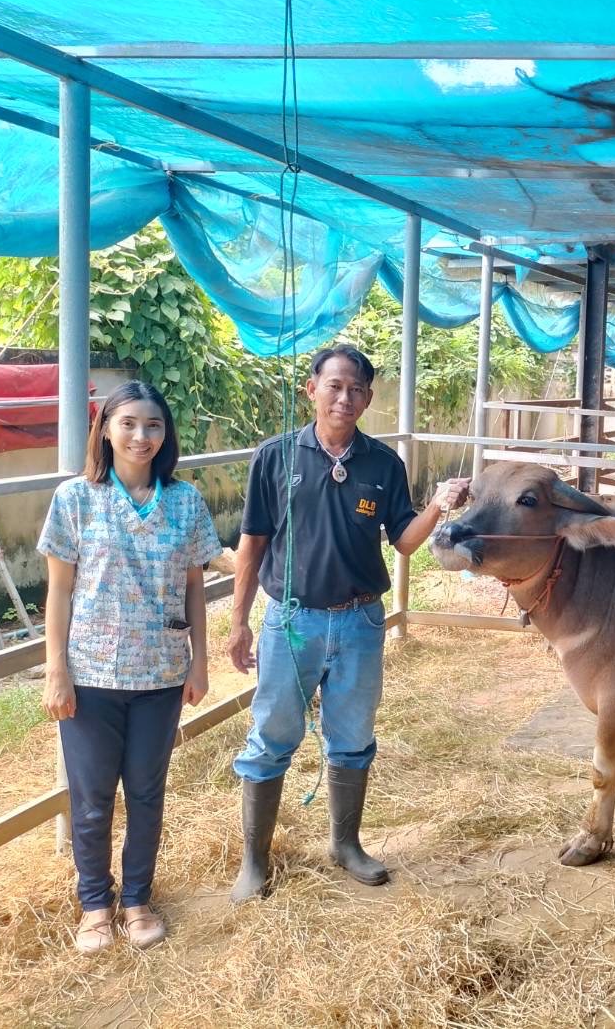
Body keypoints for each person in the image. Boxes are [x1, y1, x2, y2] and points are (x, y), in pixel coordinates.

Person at [227, 343, 468, 902]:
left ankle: (345, 844)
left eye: (357, 388)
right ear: (310, 390)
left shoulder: (383, 464)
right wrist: (239, 622)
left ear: (368, 398)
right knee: (270, 738)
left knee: (353, 737)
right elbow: (252, 543)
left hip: (360, 621)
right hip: (292, 621)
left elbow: (404, 542)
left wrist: (437, 506)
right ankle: (254, 862)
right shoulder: (276, 457)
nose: (345, 397)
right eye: (334, 385)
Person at [38, 381, 221, 953]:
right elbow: (60, 592)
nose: (142, 436)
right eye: (130, 424)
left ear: (165, 436)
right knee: (91, 800)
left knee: (146, 793)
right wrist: (56, 670)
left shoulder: (186, 500)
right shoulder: (75, 499)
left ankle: (138, 899)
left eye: (154, 426)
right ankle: (95, 905)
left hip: (161, 675)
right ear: (107, 429)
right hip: (91, 675)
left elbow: (195, 586)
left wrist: (199, 663)